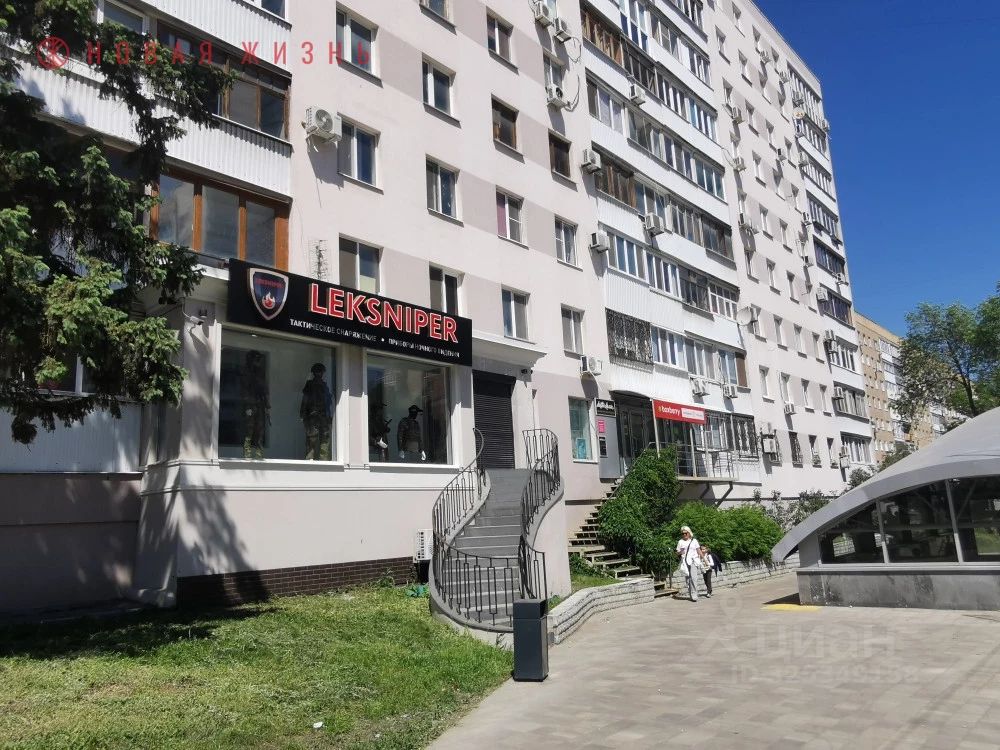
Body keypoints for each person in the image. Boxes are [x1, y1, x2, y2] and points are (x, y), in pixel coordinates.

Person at [299, 362, 333, 460]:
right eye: (318, 372)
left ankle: (322, 462)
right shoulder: (310, 385)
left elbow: (328, 402)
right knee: (313, 440)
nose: (319, 374)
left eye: (320, 372)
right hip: (313, 416)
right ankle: (312, 462)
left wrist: (329, 416)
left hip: (322, 416)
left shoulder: (324, 386)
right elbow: (305, 400)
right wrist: (302, 414)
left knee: (323, 440)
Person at [675, 526, 702, 602]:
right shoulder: (680, 542)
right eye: (682, 533)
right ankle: (691, 594)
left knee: (693, 578)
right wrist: (680, 552)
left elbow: (698, 550)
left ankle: (694, 594)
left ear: (689, 533)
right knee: (688, 579)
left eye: (685, 533)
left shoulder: (694, 541)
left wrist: (704, 560)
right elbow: (677, 553)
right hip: (685, 562)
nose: (684, 534)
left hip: (693, 561)